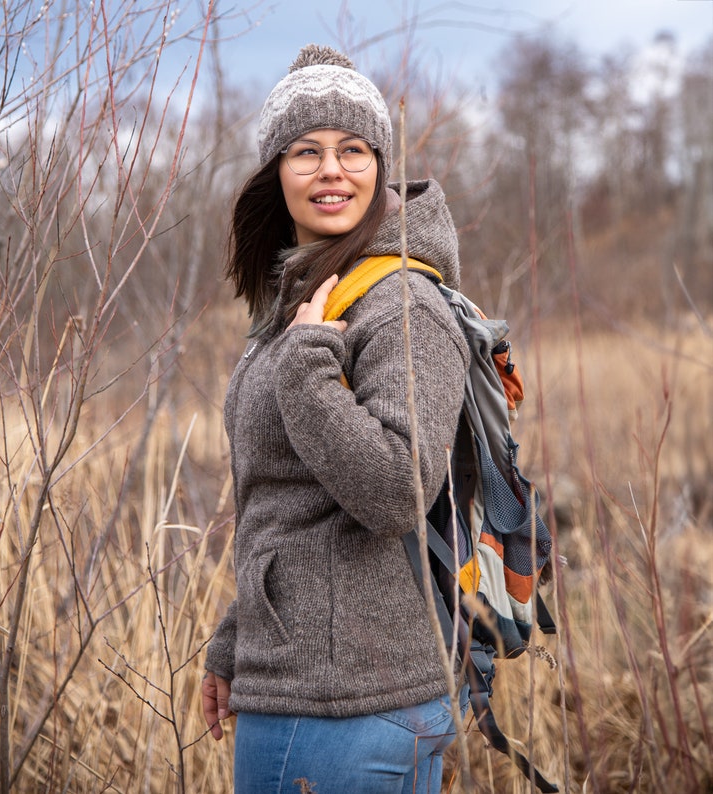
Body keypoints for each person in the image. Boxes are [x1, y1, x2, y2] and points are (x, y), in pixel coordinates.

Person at [201, 44, 471, 794]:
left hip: (346, 708)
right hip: (299, 685)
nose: (331, 170)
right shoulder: (312, 297)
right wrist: (238, 640)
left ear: (382, 168)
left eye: (354, 150)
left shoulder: (401, 305)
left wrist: (310, 370)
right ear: (274, 173)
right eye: (306, 151)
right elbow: (286, 505)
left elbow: (397, 490)